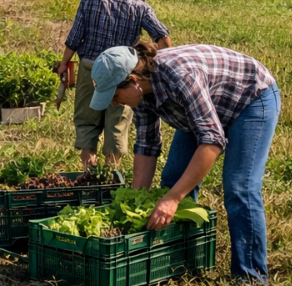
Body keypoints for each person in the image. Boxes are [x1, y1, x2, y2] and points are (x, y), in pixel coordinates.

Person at [89, 42, 280, 284]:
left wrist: (172, 199)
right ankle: (182, 259)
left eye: (115, 95)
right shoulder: (141, 96)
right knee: (173, 180)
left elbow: (211, 141)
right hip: (202, 107)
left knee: (239, 187)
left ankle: (250, 277)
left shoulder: (180, 77)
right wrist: (136, 200)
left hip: (250, 99)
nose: (115, 103)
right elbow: (147, 147)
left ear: (134, 80)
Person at [56, 0, 171, 169]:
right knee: (117, 121)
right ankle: (112, 171)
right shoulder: (140, 7)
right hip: (124, 73)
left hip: (90, 67)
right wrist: (162, 65)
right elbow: (162, 37)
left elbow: (75, 37)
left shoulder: (88, 0)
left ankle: (88, 166)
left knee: (86, 117)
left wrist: (64, 62)